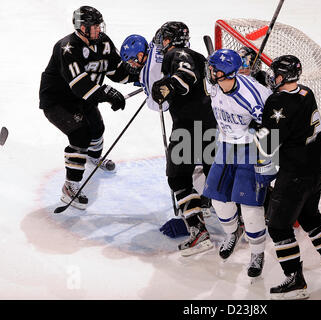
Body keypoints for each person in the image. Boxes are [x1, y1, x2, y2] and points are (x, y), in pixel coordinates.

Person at [121, 22, 217, 256]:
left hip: (188, 127)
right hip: (210, 124)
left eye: (163, 39)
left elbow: (183, 77)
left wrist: (165, 86)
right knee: (214, 176)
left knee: (178, 178)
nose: (161, 43)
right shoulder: (199, 56)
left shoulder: (175, 54)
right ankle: (242, 223)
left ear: (168, 40)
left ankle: (197, 230)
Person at [39, 6, 136, 210]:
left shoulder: (103, 42)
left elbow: (117, 71)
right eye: (94, 26)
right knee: (81, 136)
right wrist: (107, 93)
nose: (98, 30)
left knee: (97, 129)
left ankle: (94, 158)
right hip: (58, 101)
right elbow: (79, 84)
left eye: (99, 25)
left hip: (84, 97)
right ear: (82, 27)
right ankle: (70, 187)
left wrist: (141, 79)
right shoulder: (67, 47)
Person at [253, 55, 321, 299]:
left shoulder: (277, 101)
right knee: (310, 217)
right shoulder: (306, 92)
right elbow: (290, 120)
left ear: (283, 76)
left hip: (295, 175)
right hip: (316, 171)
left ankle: (295, 279)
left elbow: (267, 144)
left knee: (277, 226)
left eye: (275, 73)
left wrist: (255, 126)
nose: (272, 76)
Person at [203, 49, 272, 279]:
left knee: (251, 208)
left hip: (250, 149)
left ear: (223, 73)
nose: (209, 71)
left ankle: (257, 253)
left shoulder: (254, 97)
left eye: (213, 69)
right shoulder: (213, 84)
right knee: (218, 199)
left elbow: (273, 128)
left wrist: (261, 131)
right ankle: (233, 232)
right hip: (225, 144)